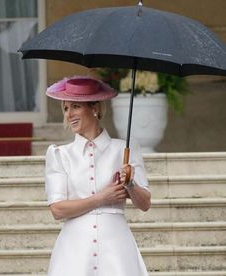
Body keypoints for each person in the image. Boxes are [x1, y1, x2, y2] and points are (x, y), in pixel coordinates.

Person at [45, 75, 151, 276]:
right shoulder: (59, 155)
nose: (69, 114)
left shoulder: (126, 149)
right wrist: (102, 198)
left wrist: (130, 183)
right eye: (66, 108)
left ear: (94, 108)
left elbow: (145, 204)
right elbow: (57, 210)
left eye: (75, 106)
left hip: (117, 249)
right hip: (74, 251)